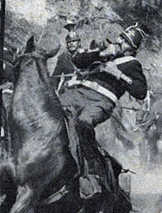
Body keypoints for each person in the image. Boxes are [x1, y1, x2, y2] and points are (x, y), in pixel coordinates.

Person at [60, 24, 148, 198]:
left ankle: (93, 171)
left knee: (83, 123)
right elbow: (77, 60)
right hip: (78, 93)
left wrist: (119, 75)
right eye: (120, 38)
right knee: (51, 108)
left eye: (125, 41)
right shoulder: (106, 55)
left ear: (132, 48)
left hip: (101, 101)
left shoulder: (132, 64)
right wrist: (100, 53)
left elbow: (141, 91)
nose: (119, 41)